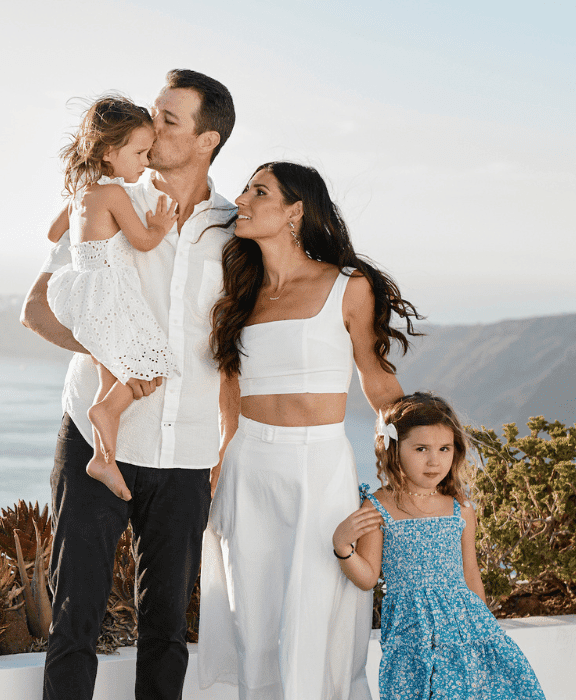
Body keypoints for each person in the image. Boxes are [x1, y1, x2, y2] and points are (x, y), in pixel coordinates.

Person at [21, 69, 236, 700]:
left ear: (207, 140)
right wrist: (118, 358)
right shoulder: (108, 198)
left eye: (170, 119)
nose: (153, 124)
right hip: (95, 438)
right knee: (73, 623)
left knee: (168, 629)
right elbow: (38, 310)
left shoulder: (237, 230)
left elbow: (240, 351)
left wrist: (229, 444)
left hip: (188, 452)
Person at [199, 161, 423, 699]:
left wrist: (411, 467)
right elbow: (230, 390)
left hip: (319, 467)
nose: (243, 199)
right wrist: (222, 457)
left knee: (314, 615)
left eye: (260, 191)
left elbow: (377, 380)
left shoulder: (348, 286)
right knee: (251, 618)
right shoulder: (238, 295)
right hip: (249, 467)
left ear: (295, 211)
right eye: (246, 188)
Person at [333, 392, 546, 700]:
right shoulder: (379, 506)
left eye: (444, 448)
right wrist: (343, 546)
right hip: (412, 637)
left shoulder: (460, 508)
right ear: (393, 449)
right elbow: (367, 578)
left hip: (467, 631)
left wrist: (484, 632)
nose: (434, 461)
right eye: (421, 449)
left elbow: (471, 574)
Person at [44, 95, 180, 501]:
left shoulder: (81, 193)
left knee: (109, 375)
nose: (146, 161)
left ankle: (105, 457)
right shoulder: (115, 193)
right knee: (150, 360)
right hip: (110, 289)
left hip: (80, 288)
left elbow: (54, 235)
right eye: (139, 152)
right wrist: (158, 225)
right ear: (109, 152)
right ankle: (104, 413)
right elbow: (141, 242)